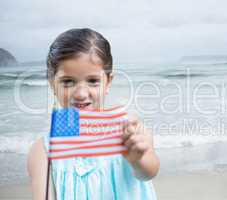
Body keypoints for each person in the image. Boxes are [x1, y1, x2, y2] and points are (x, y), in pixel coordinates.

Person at [27, 28, 160, 200]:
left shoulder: (129, 129)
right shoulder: (43, 150)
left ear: (108, 82)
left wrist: (138, 160)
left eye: (92, 81)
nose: (81, 93)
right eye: (67, 82)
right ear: (53, 83)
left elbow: (148, 173)